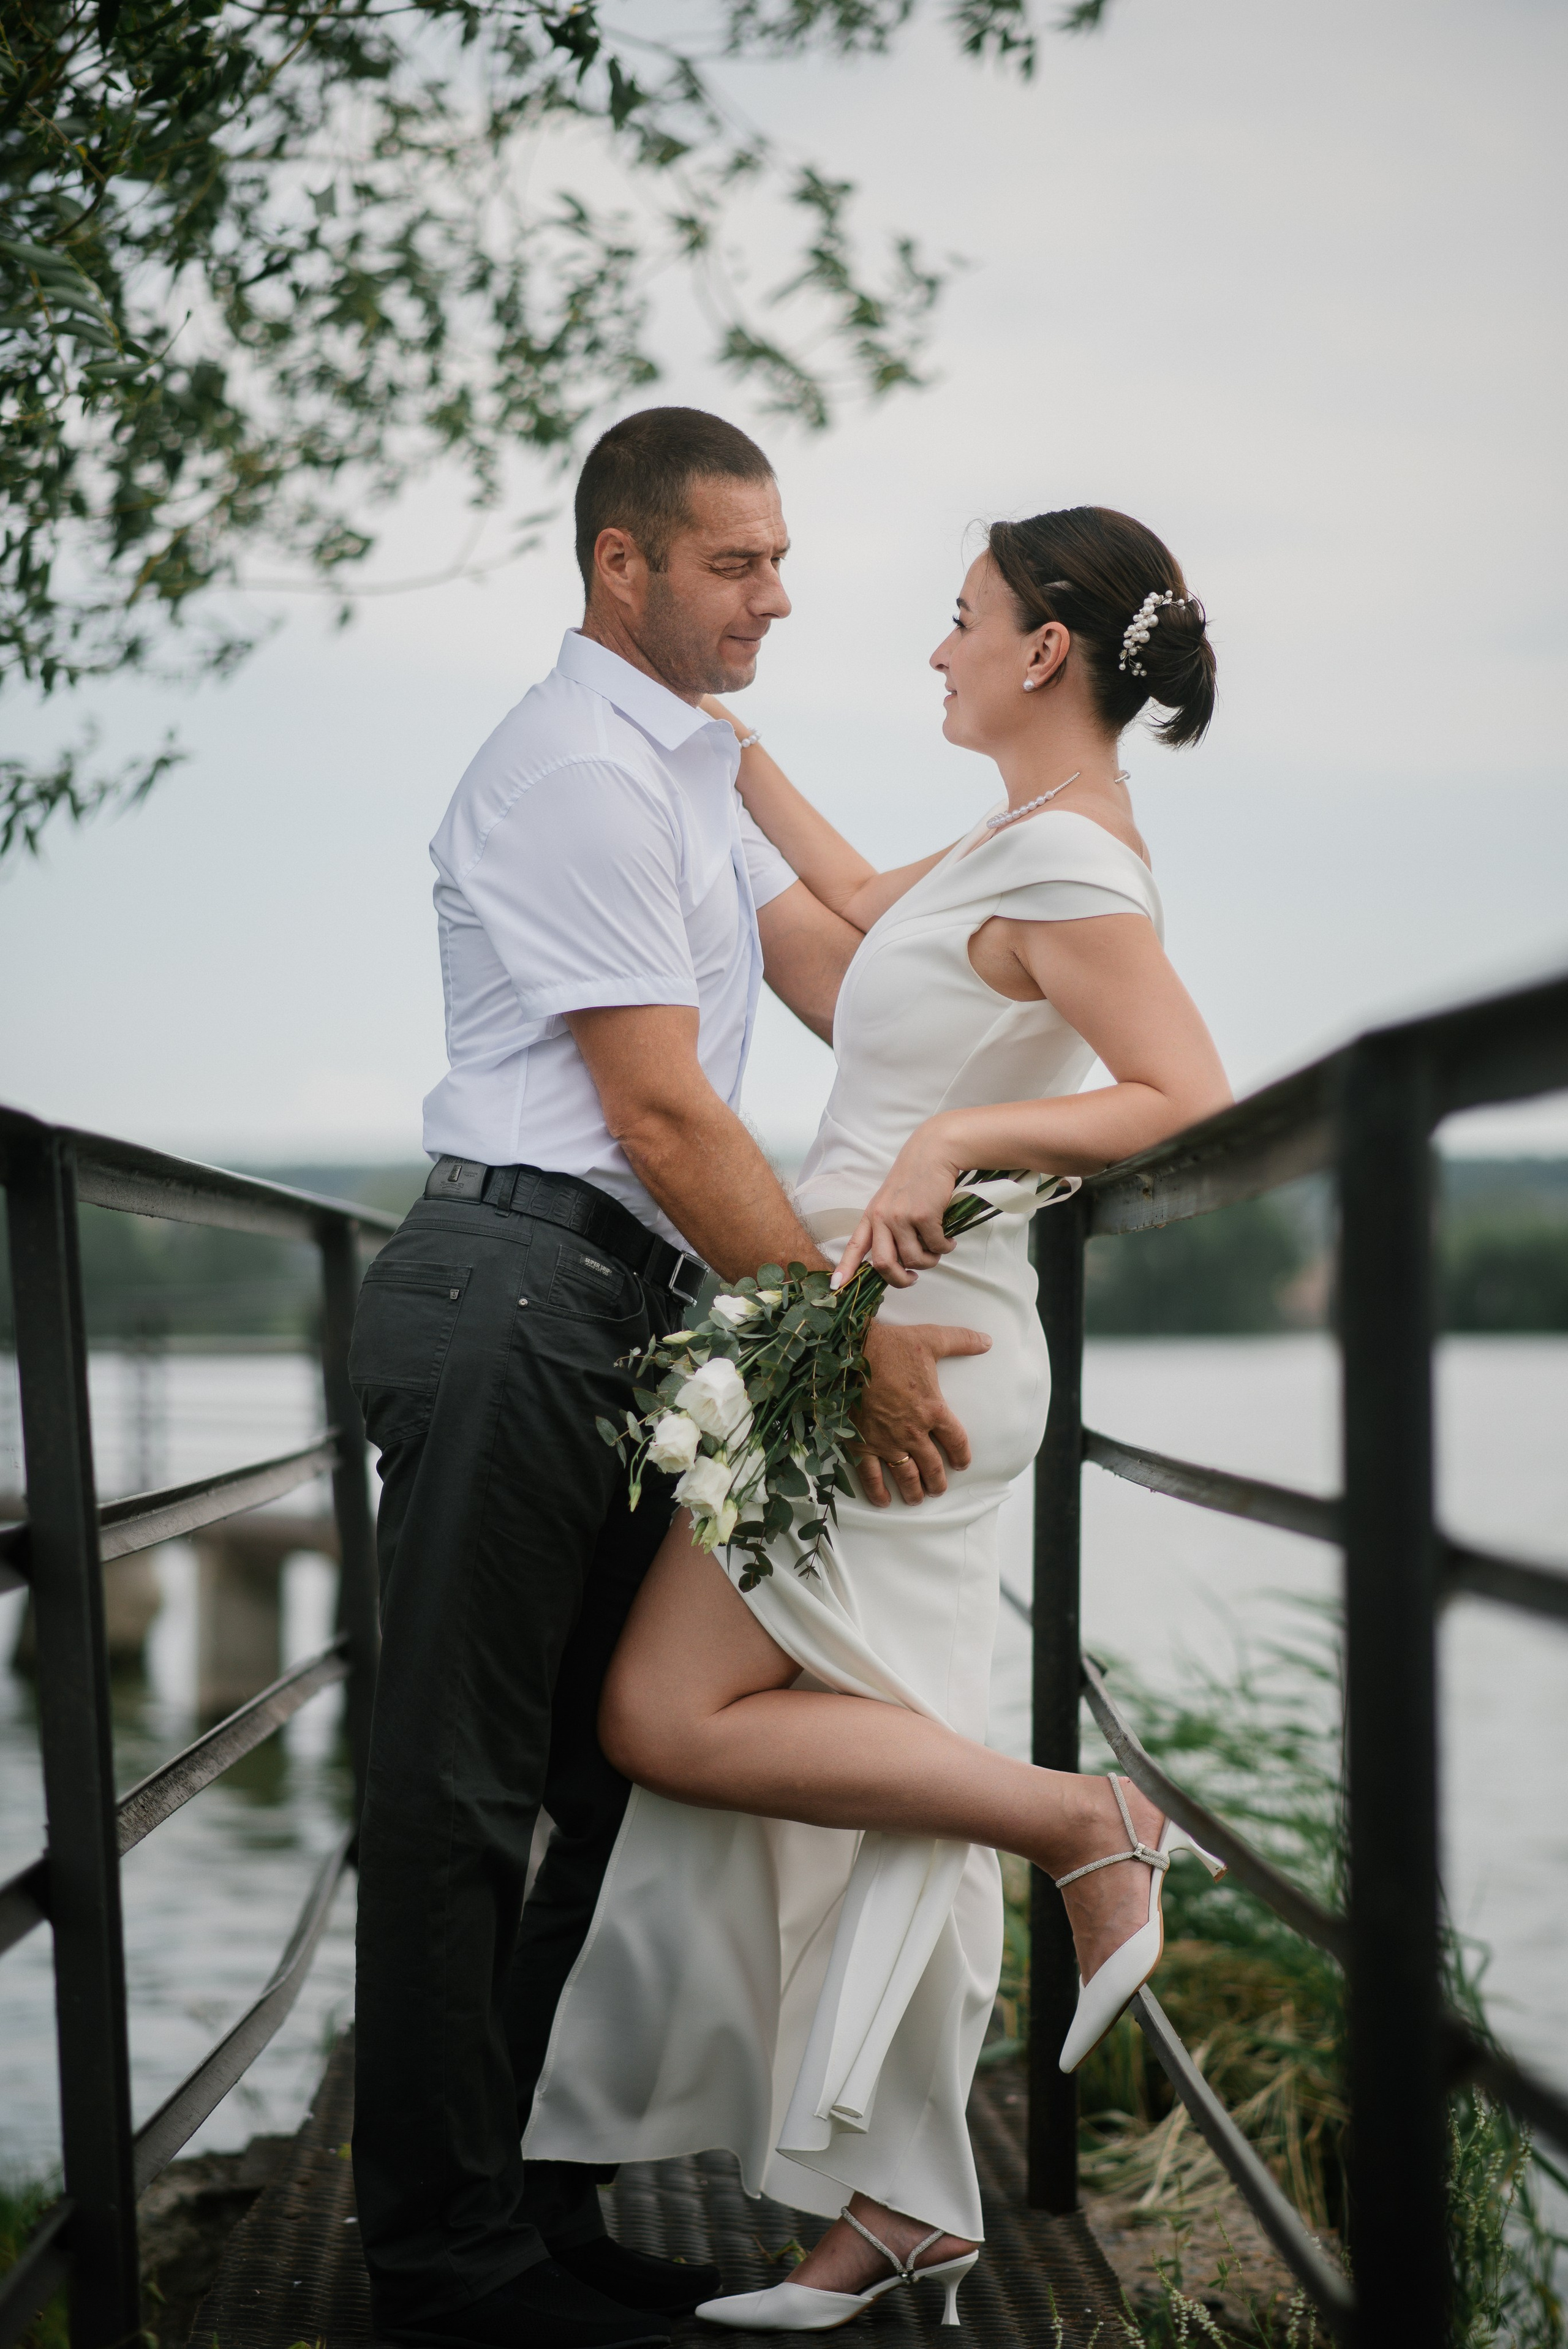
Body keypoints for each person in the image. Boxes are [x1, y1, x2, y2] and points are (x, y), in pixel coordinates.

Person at [516, 506, 1234, 2331]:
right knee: (865, 1772)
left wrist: (959, 1137)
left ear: (1043, 651)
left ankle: (1087, 1821)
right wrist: (712, 737)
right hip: (842, 1342)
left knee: (667, 1712)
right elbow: (848, 924)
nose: (936, 647)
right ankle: (902, 2204)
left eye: (961, 616)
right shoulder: (1010, 842)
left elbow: (1183, 1092)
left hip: (916, 1361)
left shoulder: (1081, 867)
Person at [348, 407, 995, 2349]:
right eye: (737, 563)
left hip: (617, 1311)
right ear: (622, 565)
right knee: (460, 1801)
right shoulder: (575, 777)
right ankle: (444, 2268)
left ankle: (529, 2214)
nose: (777, 598)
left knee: (626, 1768)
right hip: (526, 1290)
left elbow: (850, 980)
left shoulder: (685, 771)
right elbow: (655, 1107)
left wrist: (1055, 912)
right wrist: (838, 1332)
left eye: (782, 561)